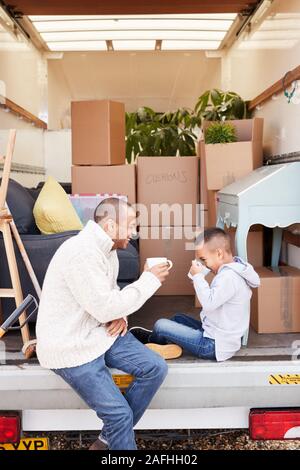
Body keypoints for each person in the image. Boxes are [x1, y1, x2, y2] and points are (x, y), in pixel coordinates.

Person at [36, 198, 171, 451]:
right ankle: (116, 434)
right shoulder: (81, 252)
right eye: (130, 225)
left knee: (155, 368)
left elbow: (107, 298)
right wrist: (148, 280)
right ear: (110, 226)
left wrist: (120, 315)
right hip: (71, 346)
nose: (134, 232)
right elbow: (105, 305)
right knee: (119, 416)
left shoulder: (107, 251)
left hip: (101, 331)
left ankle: (109, 439)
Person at [130, 227, 260, 362]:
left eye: (204, 259)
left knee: (160, 325)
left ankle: (153, 344)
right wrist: (198, 281)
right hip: (215, 334)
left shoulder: (229, 277)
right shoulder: (234, 270)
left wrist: (198, 277)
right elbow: (215, 298)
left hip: (213, 345)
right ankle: (163, 345)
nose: (204, 264)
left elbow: (209, 304)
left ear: (219, 254)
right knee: (178, 318)